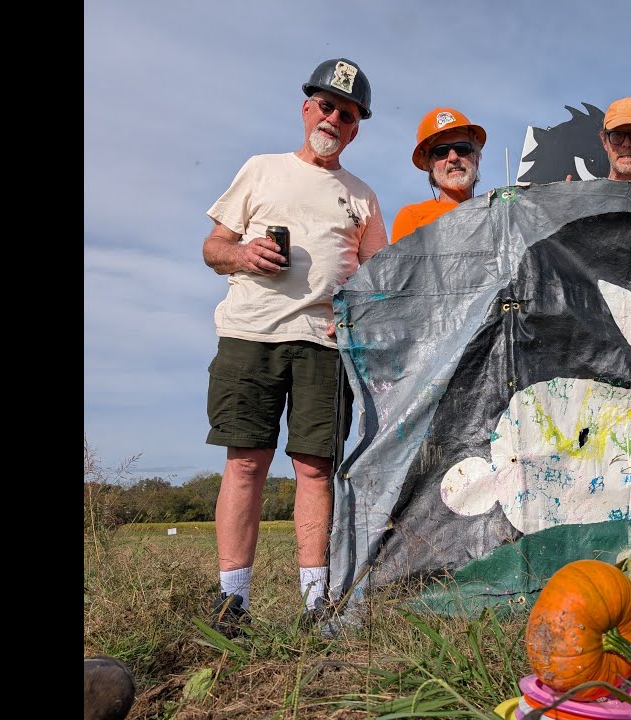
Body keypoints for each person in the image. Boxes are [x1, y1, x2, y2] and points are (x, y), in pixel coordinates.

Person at [200, 57, 388, 635]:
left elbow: (377, 277)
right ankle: (233, 602)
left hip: (323, 345)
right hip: (250, 333)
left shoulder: (362, 197)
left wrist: (354, 316)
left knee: (314, 467)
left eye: (348, 114)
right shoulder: (261, 169)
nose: (334, 118)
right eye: (327, 105)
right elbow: (213, 247)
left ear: (356, 129)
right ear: (307, 106)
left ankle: (316, 604)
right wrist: (243, 254)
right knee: (246, 463)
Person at [391, 107, 486, 242]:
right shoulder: (413, 218)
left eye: (462, 148)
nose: (453, 158)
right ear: (429, 165)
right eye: (441, 151)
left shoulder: (496, 214)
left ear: (476, 160)